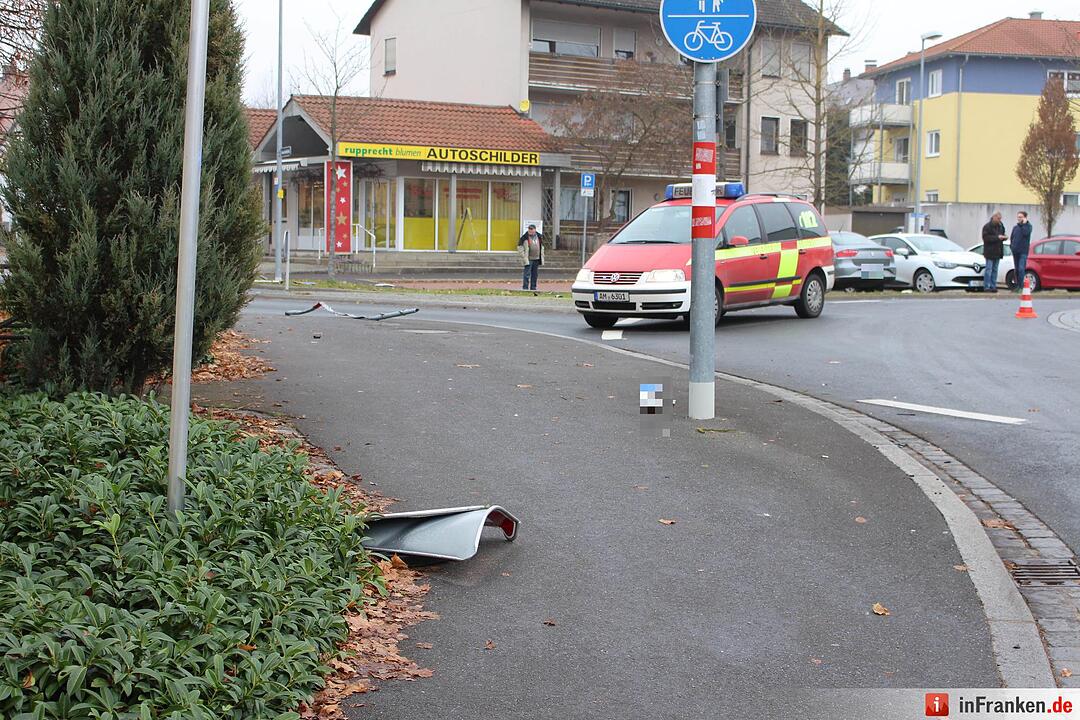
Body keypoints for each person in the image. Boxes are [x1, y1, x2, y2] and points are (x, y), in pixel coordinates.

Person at [980, 212, 1007, 293]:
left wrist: (1004, 237)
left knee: (995, 270)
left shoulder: (1001, 226)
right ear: (994, 217)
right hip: (989, 252)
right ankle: (987, 286)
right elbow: (986, 238)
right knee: (989, 269)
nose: (999, 220)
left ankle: (993, 286)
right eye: (998, 218)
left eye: (1000, 219)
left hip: (998, 251)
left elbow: (1002, 234)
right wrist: (997, 237)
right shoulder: (987, 227)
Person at [1010, 211, 1033, 292]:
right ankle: (1017, 285)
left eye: (1021, 217)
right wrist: (1012, 246)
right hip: (1015, 251)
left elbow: (1026, 233)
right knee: (1016, 269)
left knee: (1021, 268)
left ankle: (1021, 286)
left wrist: (1024, 224)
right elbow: (1012, 237)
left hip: (1023, 251)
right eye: (1018, 217)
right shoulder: (1015, 228)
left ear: (1025, 218)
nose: (1019, 218)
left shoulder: (1028, 227)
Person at [518, 224, 545, 291]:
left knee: (535, 274)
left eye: (532, 230)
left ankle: (533, 287)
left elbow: (542, 246)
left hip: (537, 258)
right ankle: (525, 287)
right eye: (529, 230)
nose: (531, 232)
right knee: (527, 274)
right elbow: (520, 247)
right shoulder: (524, 237)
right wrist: (523, 256)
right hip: (528, 259)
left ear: (535, 230)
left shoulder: (539, 236)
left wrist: (542, 255)